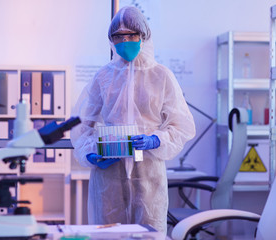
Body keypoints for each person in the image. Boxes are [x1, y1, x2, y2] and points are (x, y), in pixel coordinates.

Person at [70, 6, 196, 234]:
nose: (125, 41)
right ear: (111, 40)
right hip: (108, 179)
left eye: (131, 35)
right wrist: (90, 153)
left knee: (148, 234)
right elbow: (81, 126)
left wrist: (156, 140)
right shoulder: (104, 76)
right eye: (119, 36)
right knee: (109, 234)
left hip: (148, 176)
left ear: (143, 37)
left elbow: (182, 125)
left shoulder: (162, 76)